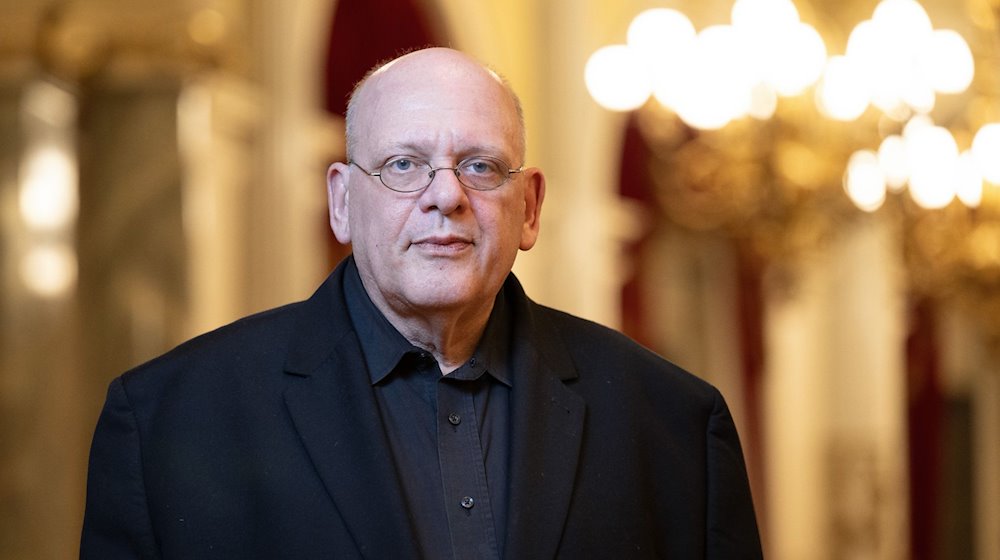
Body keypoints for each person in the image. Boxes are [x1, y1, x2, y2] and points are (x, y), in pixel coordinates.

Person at [81, 47, 762, 559]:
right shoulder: (168, 423)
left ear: (529, 209)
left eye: (480, 166)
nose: (446, 196)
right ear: (343, 201)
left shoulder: (674, 425)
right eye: (403, 164)